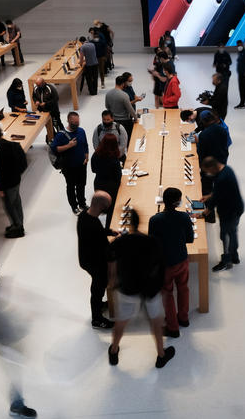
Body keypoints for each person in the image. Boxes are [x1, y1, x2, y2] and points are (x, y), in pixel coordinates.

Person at [107, 210, 175, 368]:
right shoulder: (152, 242)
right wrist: (163, 287)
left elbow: (110, 255)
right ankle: (161, 355)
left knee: (121, 323)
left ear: (128, 223)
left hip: (128, 287)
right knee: (156, 323)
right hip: (150, 288)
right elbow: (161, 265)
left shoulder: (121, 241)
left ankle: (114, 350)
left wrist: (112, 276)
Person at [148, 188, 193, 337]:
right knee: (183, 288)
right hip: (181, 259)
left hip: (165, 263)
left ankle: (173, 327)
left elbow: (152, 243)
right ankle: (184, 318)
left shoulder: (155, 220)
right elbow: (190, 239)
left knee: (167, 294)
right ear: (177, 202)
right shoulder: (184, 217)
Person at [76, 191, 115, 330]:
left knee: (98, 287)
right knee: (99, 287)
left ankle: (99, 306)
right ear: (102, 207)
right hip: (94, 262)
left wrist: (110, 231)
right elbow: (108, 250)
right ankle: (97, 319)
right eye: (108, 206)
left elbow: (98, 232)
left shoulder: (85, 215)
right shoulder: (92, 225)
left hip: (86, 258)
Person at [201, 157, 244, 271]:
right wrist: (209, 196)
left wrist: (205, 213)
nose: (208, 173)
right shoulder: (227, 170)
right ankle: (234, 256)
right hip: (236, 208)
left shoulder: (221, 179)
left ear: (212, 167)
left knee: (225, 236)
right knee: (232, 233)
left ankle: (226, 261)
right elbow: (220, 191)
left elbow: (216, 199)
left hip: (229, 212)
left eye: (208, 171)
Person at [0, 125, 27, 238]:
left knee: (10, 206)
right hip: (16, 180)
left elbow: (1, 172)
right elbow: (23, 163)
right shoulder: (13, 145)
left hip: (8, 184)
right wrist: (17, 174)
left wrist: (0, 188)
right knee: (17, 203)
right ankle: (18, 224)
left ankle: (18, 228)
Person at [51, 112, 89, 214]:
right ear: (68, 121)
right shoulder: (61, 135)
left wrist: (86, 156)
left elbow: (85, 145)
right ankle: (74, 206)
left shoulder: (81, 131)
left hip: (82, 164)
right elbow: (55, 149)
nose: (77, 124)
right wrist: (68, 145)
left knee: (81, 185)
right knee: (71, 186)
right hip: (69, 167)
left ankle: (82, 203)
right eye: (74, 122)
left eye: (78, 122)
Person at [91, 134, 122, 225]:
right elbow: (118, 176)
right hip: (111, 187)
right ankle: (108, 228)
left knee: (98, 207)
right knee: (111, 210)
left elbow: (93, 170)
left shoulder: (96, 154)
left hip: (99, 183)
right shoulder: (114, 158)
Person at [196, 111, 229, 196]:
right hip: (221, 162)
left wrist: (201, 166)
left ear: (203, 121)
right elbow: (226, 145)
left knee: (207, 187)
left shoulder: (204, 134)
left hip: (209, 165)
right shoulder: (223, 129)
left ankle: (209, 206)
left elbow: (201, 152)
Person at [105, 75, 137, 141]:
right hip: (125, 121)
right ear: (123, 84)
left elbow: (107, 106)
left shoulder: (108, 94)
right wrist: (136, 118)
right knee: (128, 139)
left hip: (114, 121)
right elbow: (130, 109)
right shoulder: (124, 95)